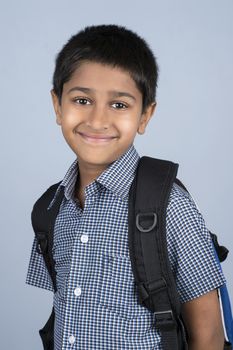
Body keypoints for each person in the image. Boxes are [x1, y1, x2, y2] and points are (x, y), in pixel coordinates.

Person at [26, 24, 226, 349]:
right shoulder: (50, 209)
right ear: (57, 105)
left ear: (145, 115)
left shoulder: (169, 207)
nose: (97, 119)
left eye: (119, 105)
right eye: (81, 99)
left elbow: (209, 334)